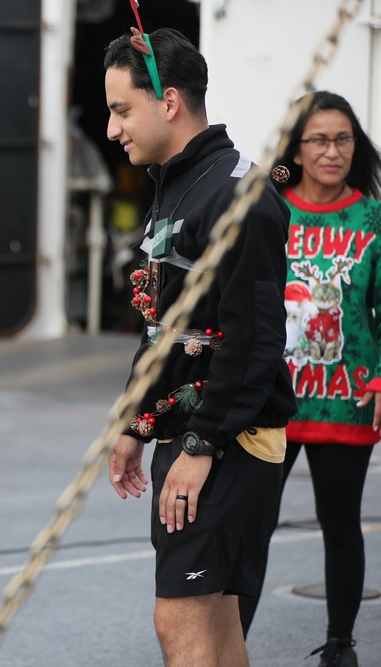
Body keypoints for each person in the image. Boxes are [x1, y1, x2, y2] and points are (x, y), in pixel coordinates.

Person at [103, 28, 298, 667]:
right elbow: (166, 326)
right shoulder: (181, 184)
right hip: (194, 437)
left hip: (227, 442)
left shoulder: (239, 193)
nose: (112, 129)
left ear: (168, 103)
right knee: (216, 626)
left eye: (121, 110)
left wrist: (200, 444)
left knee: (179, 622)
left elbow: (257, 339)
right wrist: (138, 421)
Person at [238, 90, 381, 667]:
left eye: (342, 138)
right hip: (273, 398)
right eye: (318, 139)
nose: (332, 151)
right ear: (295, 149)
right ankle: (228, 642)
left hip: (347, 398)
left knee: (341, 523)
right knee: (252, 526)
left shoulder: (372, 218)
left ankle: (341, 645)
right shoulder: (269, 207)